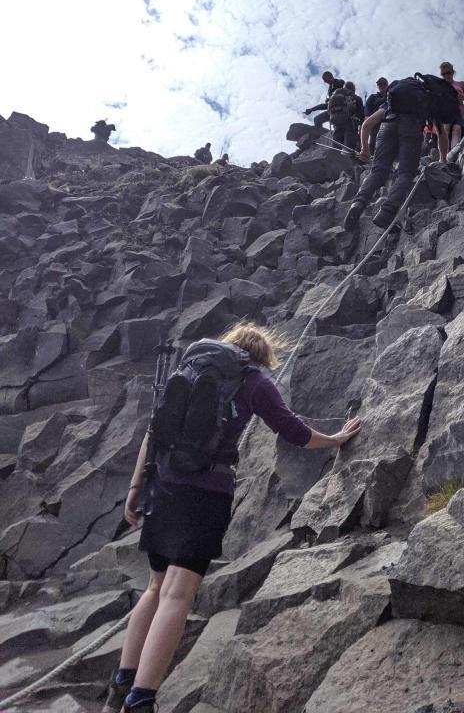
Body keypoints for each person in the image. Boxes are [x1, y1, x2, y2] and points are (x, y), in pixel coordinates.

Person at [101, 323, 361, 713]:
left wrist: (136, 488)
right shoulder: (254, 381)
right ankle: (142, 699)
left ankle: (122, 686)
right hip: (204, 495)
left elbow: (154, 430)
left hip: (162, 486)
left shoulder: (189, 369)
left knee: (154, 588)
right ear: (261, 356)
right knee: (178, 593)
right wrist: (336, 439)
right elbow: (294, 433)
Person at [343, 79, 425, 230]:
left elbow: (367, 125)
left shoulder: (389, 103)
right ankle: (386, 213)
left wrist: (365, 150)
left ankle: (357, 204)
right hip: (412, 126)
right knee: (405, 173)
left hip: (387, 126)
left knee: (378, 171)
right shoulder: (420, 101)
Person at [437, 62, 464, 158]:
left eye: (448, 73)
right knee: (446, 129)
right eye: (443, 74)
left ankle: (453, 154)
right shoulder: (439, 86)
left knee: (457, 130)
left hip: (459, 112)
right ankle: (443, 157)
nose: (445, 76)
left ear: (453, 72)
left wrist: (461, 96)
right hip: (445, 113)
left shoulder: (461, 84)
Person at [327, 84, 358, 152]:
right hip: (348, 122)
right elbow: (361, 114)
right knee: (348, 147)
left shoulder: (334, 95)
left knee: (336, 145)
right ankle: (348, 155)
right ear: (353, 90)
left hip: (336, 122)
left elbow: (328, 110)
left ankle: (334, 156)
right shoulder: (354, 97)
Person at [364, 77, 389, 154]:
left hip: (389, 123)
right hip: (375, 124)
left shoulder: (391, 95)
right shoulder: (373, 97)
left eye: (383, 84)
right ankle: (371, 157)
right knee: (373, 142)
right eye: (379, 84)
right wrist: (367, 117)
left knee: (387, 142)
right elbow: (367, 107)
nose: (381, 86)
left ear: (387, 85)